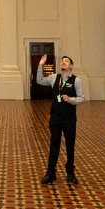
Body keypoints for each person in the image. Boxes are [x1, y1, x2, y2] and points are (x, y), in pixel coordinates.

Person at [36, 54, 84, 184]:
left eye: (66, 61)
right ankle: (51, 173)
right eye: (62, 61)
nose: (63, 63)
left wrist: (71, 99)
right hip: (55, 117)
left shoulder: (76, 80)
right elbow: (39, 80)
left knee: (70, 145)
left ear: (71, 66)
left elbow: (82, 98)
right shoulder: (54, 78)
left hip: (69, 118)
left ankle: (70, 173)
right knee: (54, 144)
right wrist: (41, 64)